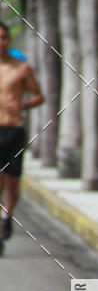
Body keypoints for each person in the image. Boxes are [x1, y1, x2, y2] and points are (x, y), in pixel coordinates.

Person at [0, 21, 44, 255]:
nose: (1, 42)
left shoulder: (22, 69)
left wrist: (23, 104)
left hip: (14, 130)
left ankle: (7, 214)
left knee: (13, 184)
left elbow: (39, 96)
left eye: (4, 37)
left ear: (9, 41)